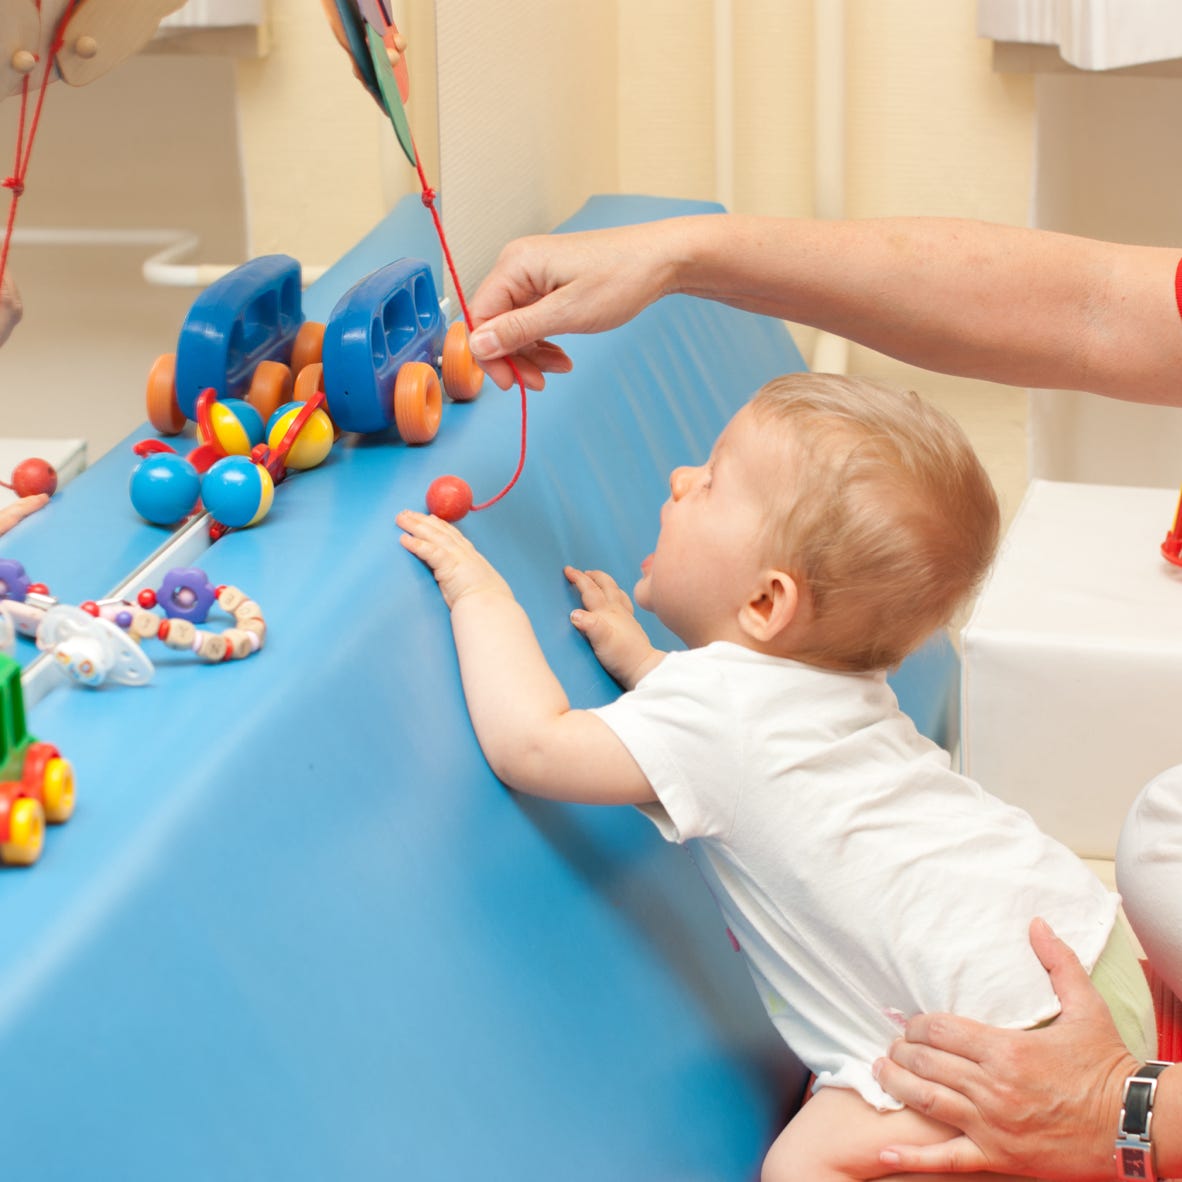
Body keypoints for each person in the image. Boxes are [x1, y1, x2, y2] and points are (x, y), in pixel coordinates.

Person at [464, 212, 1182, 1178]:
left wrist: (478, 591)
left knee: (801, 1166)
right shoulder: (805, 683)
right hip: (1091, 968)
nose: (677, 479)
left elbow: (535, 746)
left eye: (709, 482)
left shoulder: (736, 710)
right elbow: (742, 731)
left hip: (1032, 1008)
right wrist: (644, 661)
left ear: (768, 602)